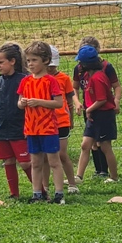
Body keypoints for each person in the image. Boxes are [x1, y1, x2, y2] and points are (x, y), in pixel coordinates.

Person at [17, 41, 65, 204]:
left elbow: (58, 103)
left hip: (48, 128)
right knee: (35, 163)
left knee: (53, 162)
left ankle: (59, 194)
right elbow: (19, 103)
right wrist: (22, 103)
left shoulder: (51, 81)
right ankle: (37, 194)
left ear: (46, 60)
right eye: (28, 60)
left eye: (34, 60)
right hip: (31, 129)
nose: (30, 64)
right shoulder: (25, 81)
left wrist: (39, 102)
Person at [0, 42, 33, 200]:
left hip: (20, 129)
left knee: (25, 163)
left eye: (1, 62)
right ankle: (14, 194)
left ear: (12, 61)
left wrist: (29, 126)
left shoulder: (24, 80)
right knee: (8, 161)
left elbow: (30, 107)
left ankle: (40, 191)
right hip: (2, 129)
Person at [72, 36, 122, 178]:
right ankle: (81, 176)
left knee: (104, 145)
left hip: (102, 113)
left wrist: (116, 101)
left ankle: (112, 175)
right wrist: (78, 103)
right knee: (87, 144)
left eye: (81, 62)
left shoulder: (98, 76)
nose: (79, 65)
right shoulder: (85, 73)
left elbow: (102, 99)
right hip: (92, 111)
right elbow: (75, 88)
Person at [44, 46, 80, 193]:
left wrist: (71, 119)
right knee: (45, 156)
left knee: (62, 154)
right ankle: (44, 187)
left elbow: (70, 101)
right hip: (45, 122)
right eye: (49, 66)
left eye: (53, 66)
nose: (51, 69)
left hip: (62, 121)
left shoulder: (64, 78)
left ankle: (72, 184)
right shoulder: (39, 79)